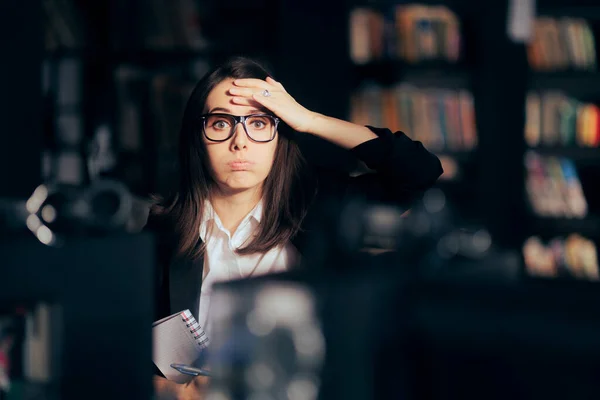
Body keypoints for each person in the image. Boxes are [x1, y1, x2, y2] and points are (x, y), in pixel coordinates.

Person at [146, 56, 443, 399]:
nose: (239, 142)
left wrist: (309, 120)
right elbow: (119, 351)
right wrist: (175, 392)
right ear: (198, 137)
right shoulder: (162, 230)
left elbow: (421, 173)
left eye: (258, 123)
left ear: (279, 133)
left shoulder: (318, 208)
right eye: (220, 123)